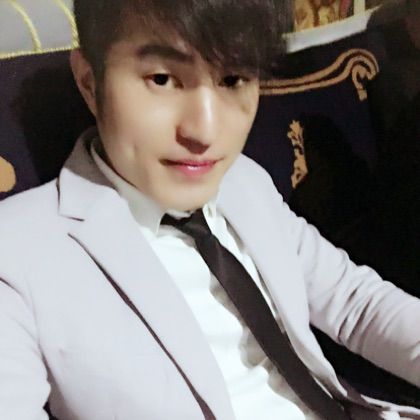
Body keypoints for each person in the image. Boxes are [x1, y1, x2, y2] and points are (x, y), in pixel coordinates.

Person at [0, 1, 419, 419]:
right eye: (163, 79)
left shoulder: (243, 180)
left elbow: (354, 303)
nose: (205, 131)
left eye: (233, 79)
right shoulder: (18, 252)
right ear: (90, 82)